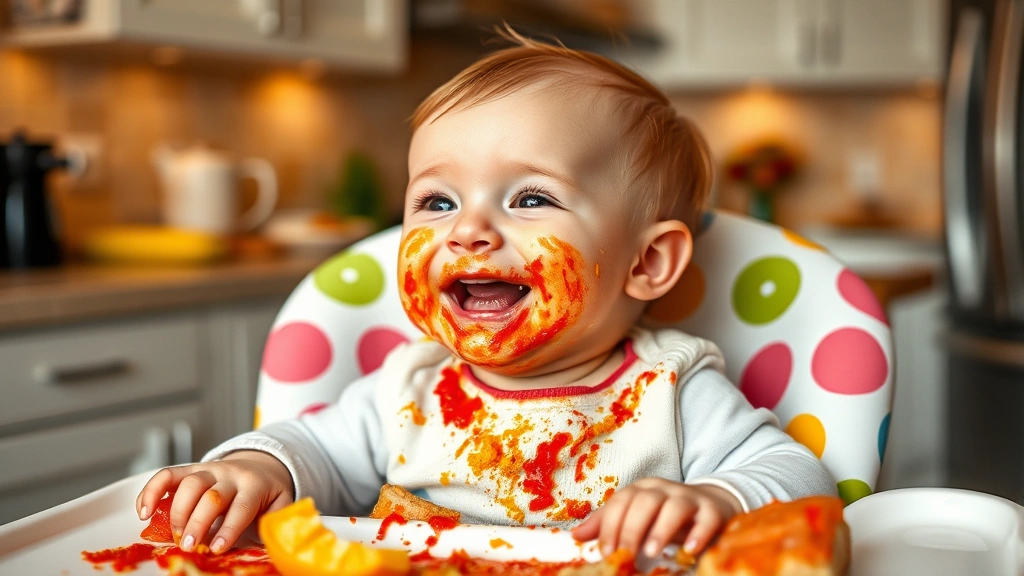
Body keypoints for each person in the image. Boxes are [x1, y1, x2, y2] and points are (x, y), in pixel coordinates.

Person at [136, 30, 836, 563]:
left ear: (648, 262)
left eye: (531, 197)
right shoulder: (409, 388)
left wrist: (711, 498)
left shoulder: (670, 388)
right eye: (436, 200)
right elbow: (312, 450)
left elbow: (802, 478)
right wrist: (254, 469)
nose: (468, 229)